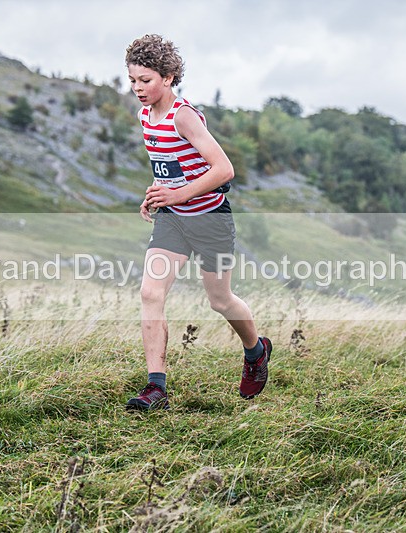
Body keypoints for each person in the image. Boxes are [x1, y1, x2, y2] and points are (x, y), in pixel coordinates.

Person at [124, 34, 272, 410]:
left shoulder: (184, 116)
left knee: (219, 300)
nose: (139, 89)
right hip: (173, 220)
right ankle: (156, 388)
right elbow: (170, 168)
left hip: (210, 220)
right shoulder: (145, 115)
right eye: (133, 81)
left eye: (147, 80)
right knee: (150, 293)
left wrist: (177, 194)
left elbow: (224, 169)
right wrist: (157, 193)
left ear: (169, 77)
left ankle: (255, 351)